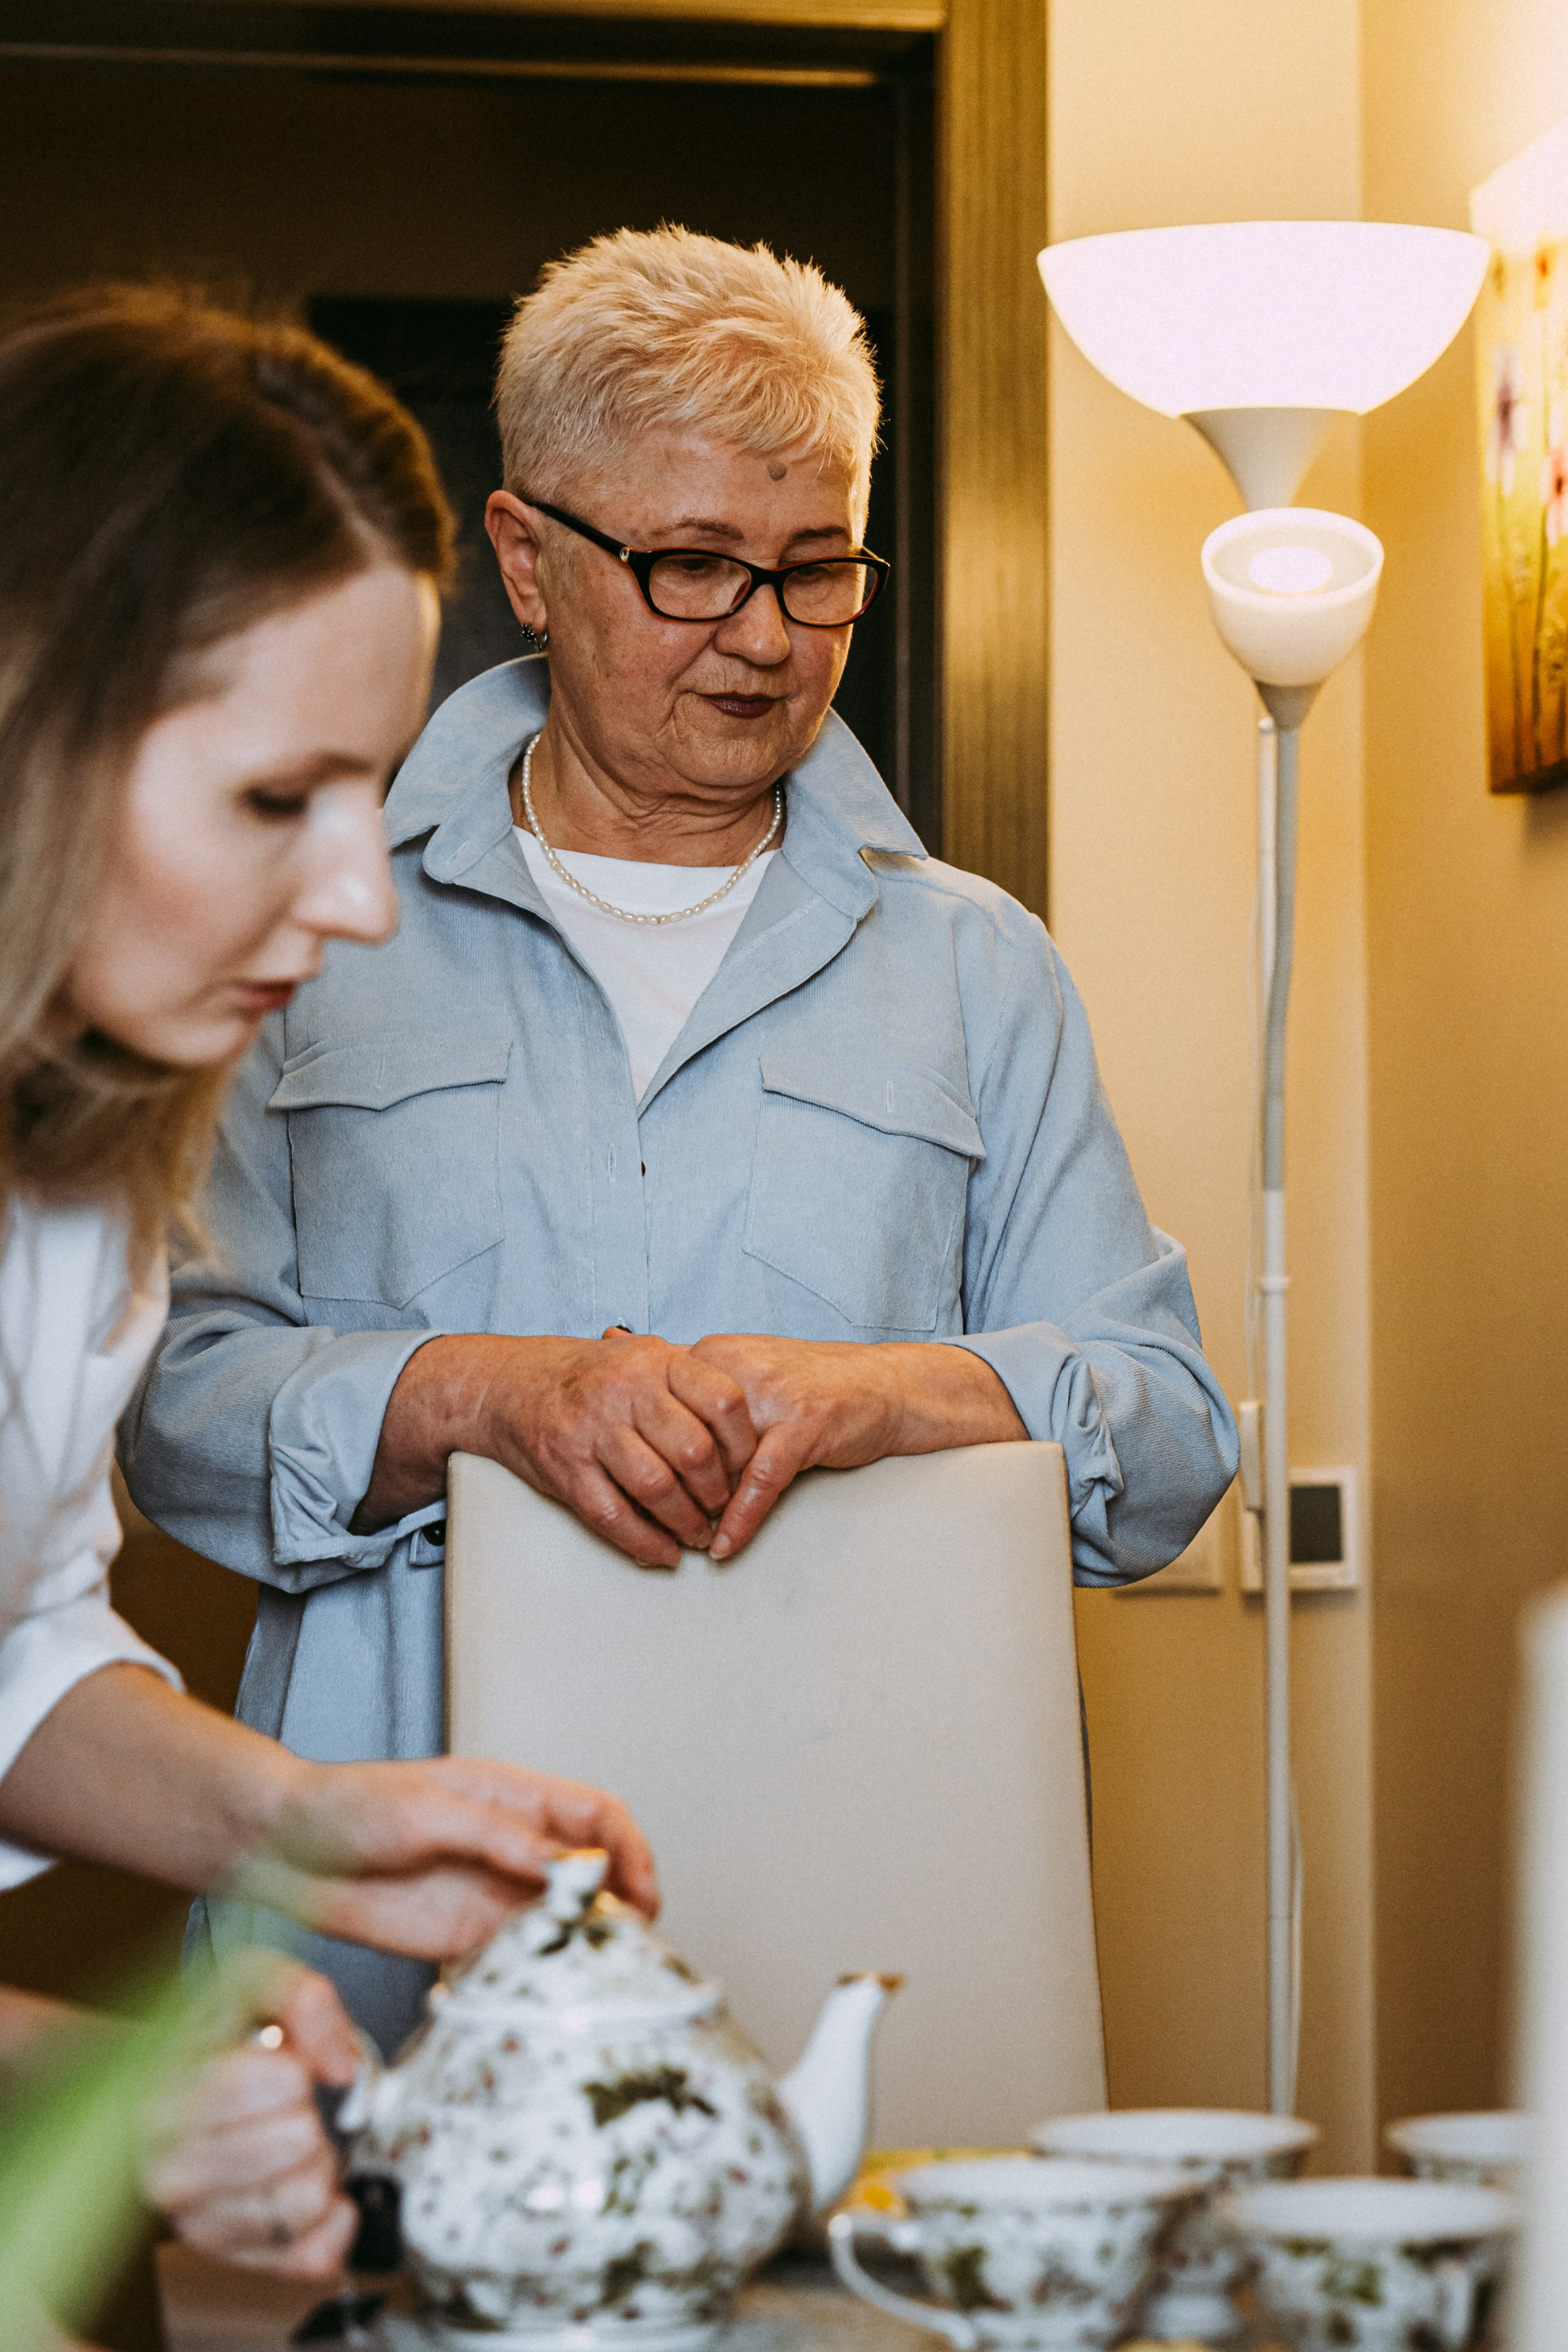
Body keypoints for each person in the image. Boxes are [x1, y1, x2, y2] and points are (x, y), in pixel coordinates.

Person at [126, 228, 1239, 2049]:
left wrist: (904, 1397)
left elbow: (1173, 1430)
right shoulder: (306, 928)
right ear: (529, 562)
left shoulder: (979, 965)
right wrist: (482, 1396)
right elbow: (172, 1405)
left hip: (870, 1915)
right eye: (694, 567)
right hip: (386, 1937)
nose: (767, 639)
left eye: (816, 573)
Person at [0, 286, 655, 2326]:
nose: (364, 896)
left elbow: (9, 1649)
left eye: (373, 786)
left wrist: (309, 1824)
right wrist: (89, 2084)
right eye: (280, 801)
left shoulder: (72, 1187)